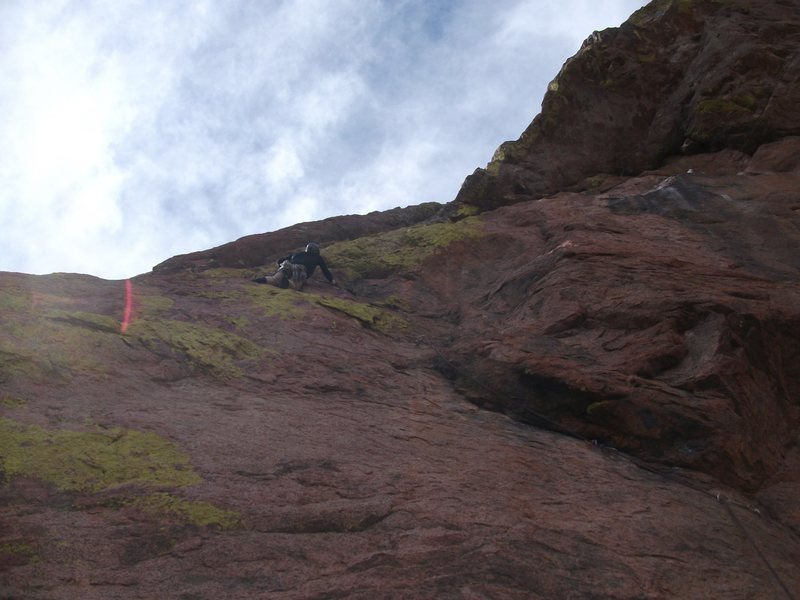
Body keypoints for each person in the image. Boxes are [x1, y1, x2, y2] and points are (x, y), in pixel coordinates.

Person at [252, 242, 336, 291]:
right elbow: (325, 270)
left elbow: (280, 260)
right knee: (296, 286)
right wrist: (332, 280)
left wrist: (279, 266)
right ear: (316, 251)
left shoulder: (297, 254)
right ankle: (286, 283)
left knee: (274, 279)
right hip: (300, 270)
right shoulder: (317, 257)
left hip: (287, 266)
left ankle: (257, 280)